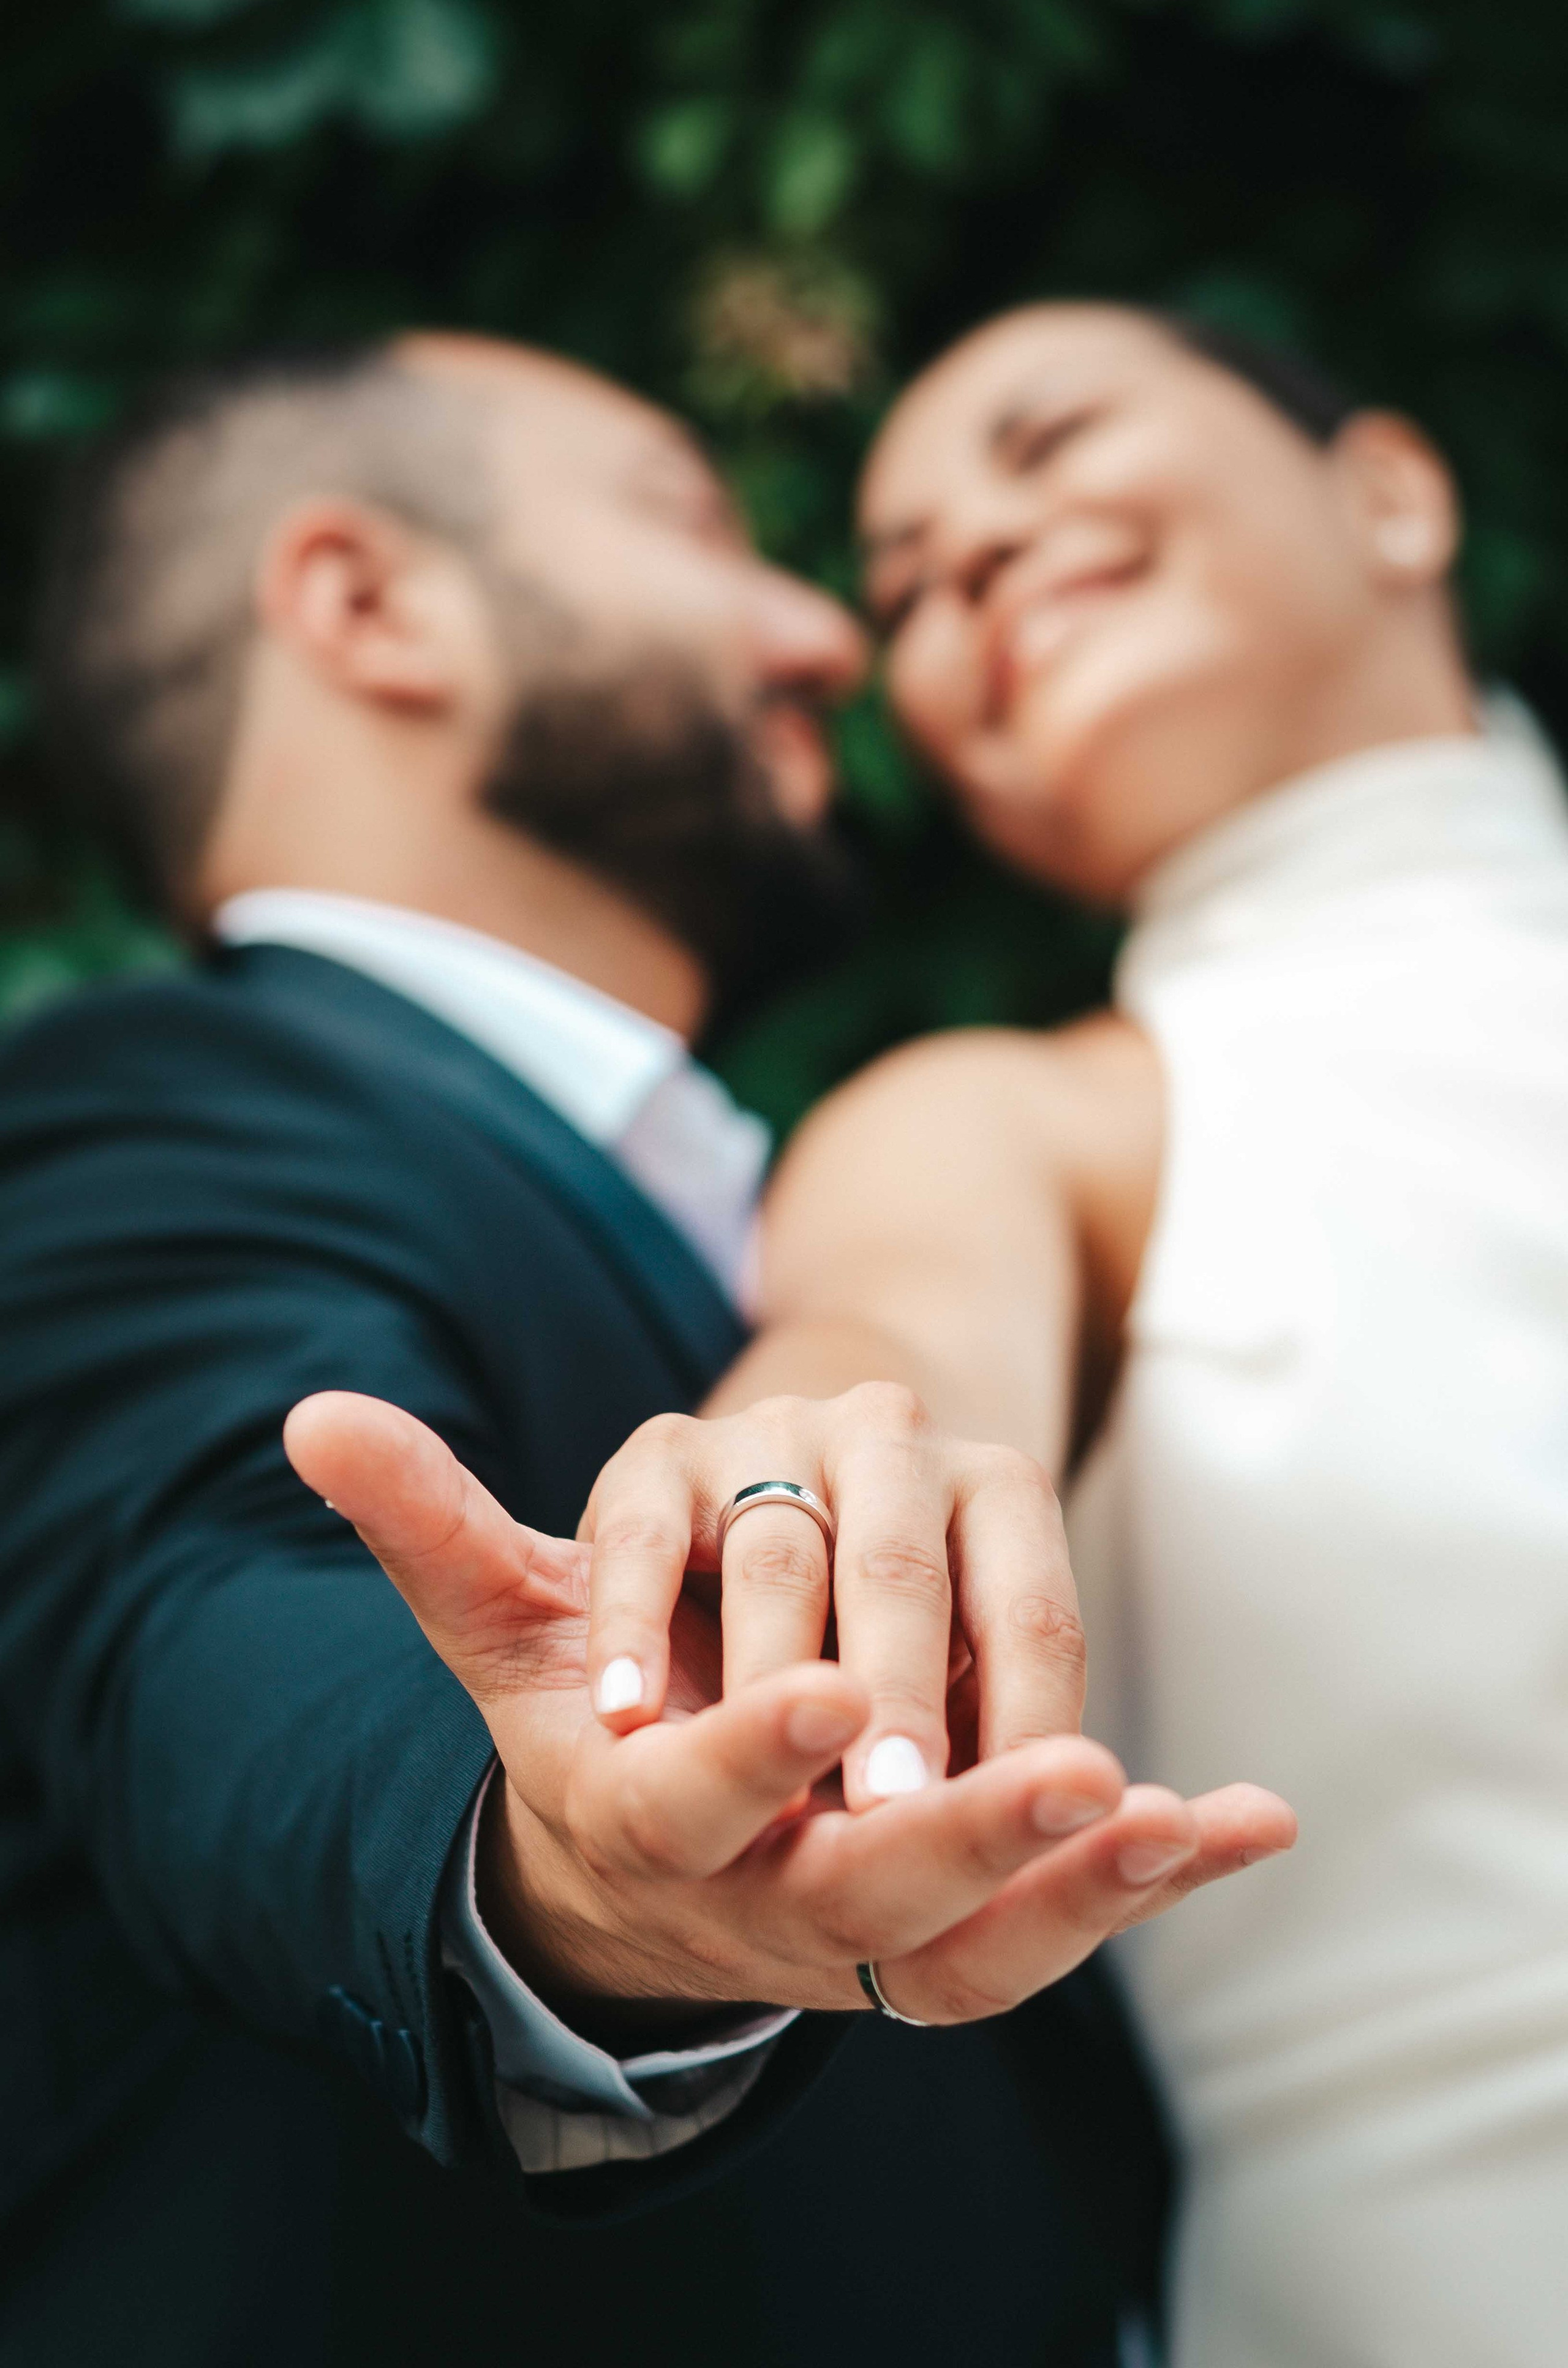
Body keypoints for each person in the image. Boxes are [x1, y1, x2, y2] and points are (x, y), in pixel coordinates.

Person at [0, 331, 1287, 2368]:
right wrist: (554, 1880)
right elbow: (202, 1605)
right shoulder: (138, 1106)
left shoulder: (820, 1209)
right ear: (367, 603)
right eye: (701, 523)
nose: (829, 637)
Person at [424, 301, 1564, 2365]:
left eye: (1049, 448)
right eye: (911, 582)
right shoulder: (1018, 1118)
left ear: (1391, 492)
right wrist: (786, 1507)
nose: (976, 568)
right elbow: (893, 1339)